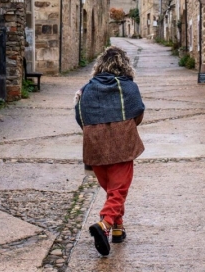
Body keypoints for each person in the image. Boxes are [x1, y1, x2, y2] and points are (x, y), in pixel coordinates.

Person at [74, 46, 145, 257]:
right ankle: (105, 224)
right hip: (121, 143)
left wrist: (93, 131)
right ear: (124, 65)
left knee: (112, 190)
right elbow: (138, 112)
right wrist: (125, 125)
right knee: (118, 190)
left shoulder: (87, 89)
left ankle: (117, 228)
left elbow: (80, 116)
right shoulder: (128, 87)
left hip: (94, 145)